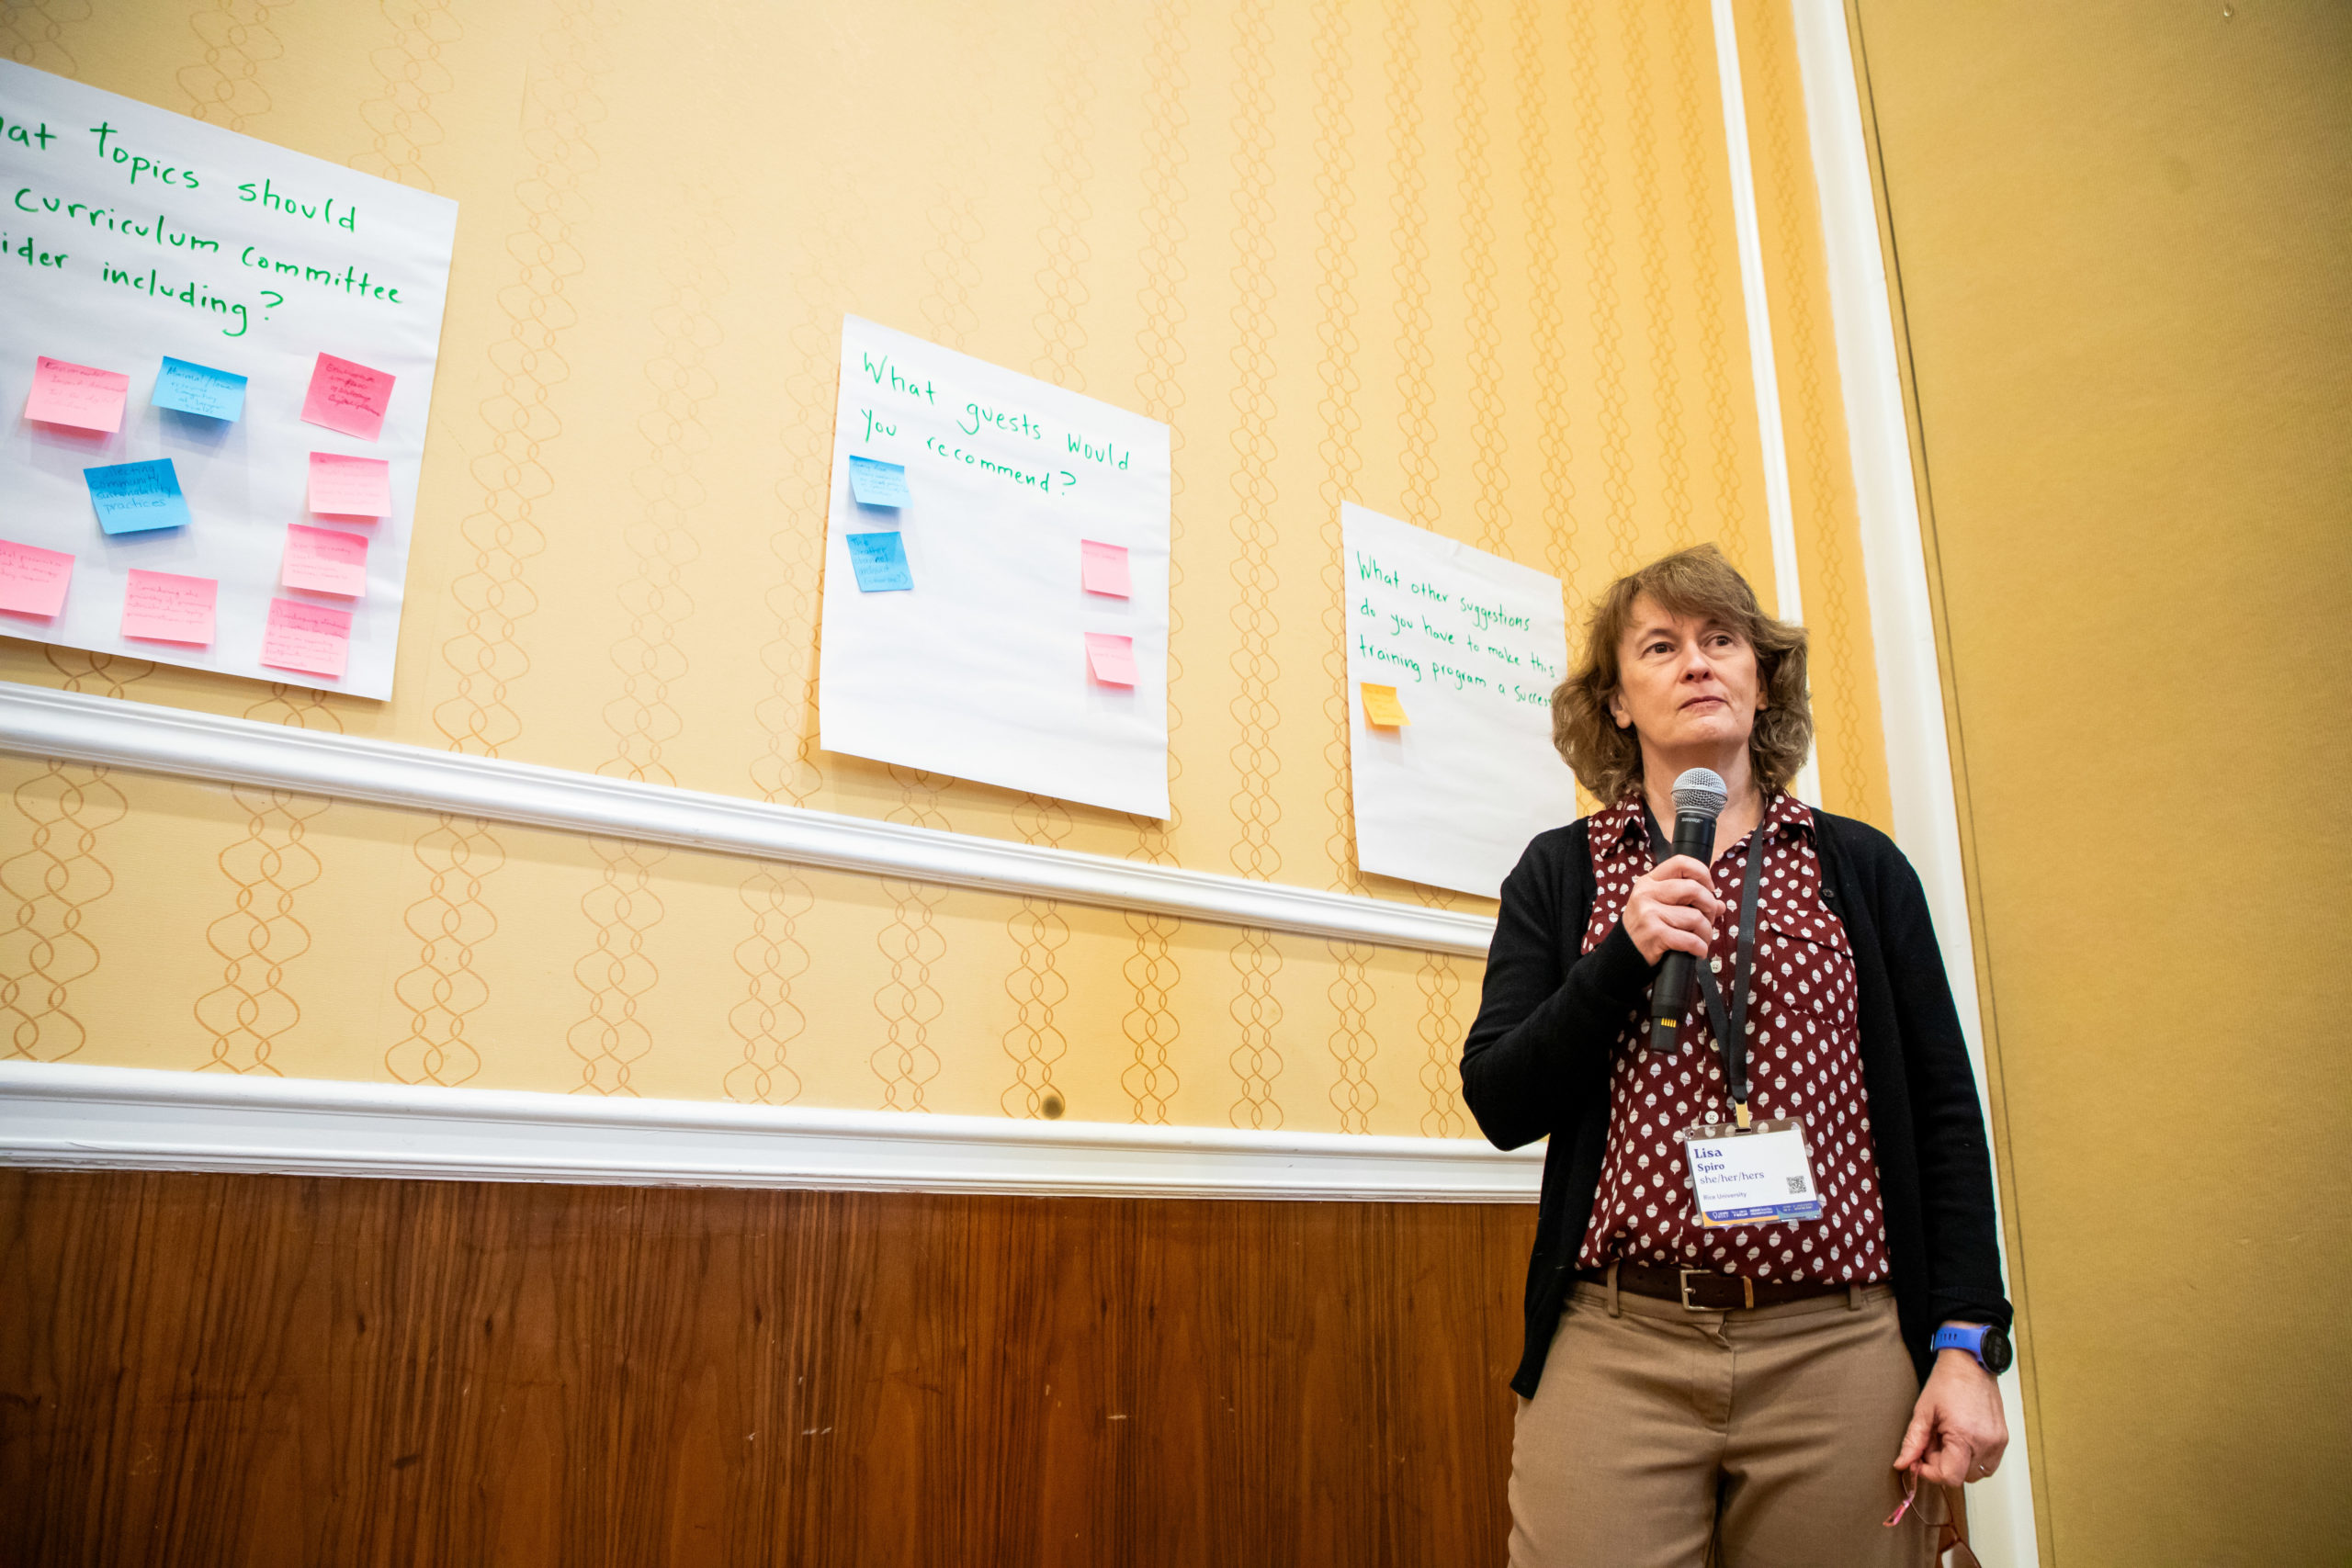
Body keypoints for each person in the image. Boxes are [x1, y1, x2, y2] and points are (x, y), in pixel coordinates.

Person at [1461, 544, 2012, 1567]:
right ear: (1618, 702)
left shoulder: (1858, 867)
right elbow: (1499, 1098)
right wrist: (1622, 954)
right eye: (1661, 646)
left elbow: (1942, 1111)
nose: (1698, 664)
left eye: (1722, 641)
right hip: (1620, 1341)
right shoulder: (1560, 871)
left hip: (1839, 1345)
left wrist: (1967, 1342)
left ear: (1763, 681)